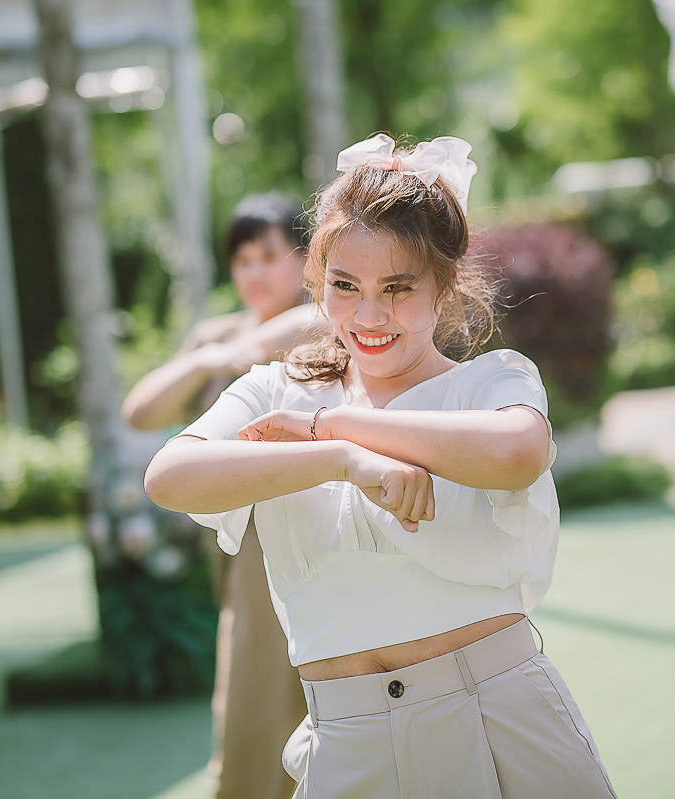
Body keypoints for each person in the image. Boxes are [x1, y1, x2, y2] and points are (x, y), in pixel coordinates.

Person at [144, 133, 616, 799]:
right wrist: (339, 460)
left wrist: (332, 425)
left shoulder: (492, 381)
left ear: (444, 286)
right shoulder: (274, 388)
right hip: (347, 741)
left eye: (397, 287)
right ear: (316, 282)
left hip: (499, 716)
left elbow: (516, 453)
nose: (368, 314)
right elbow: (169, 475)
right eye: (344, 286)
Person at [124, 193, 322, 799]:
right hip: (246, 552)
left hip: (320, 534)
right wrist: (212, 355)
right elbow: (139, 411)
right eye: (242, 260)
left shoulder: (333, 319)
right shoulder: (218, 336)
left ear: (305, 260)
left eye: (269, 256)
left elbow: (328, 320)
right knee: (253, 717)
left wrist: (257, 346)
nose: (255, 273)